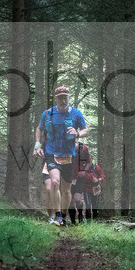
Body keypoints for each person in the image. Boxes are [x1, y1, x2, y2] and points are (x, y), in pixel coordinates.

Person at [33, 85, 88, 226]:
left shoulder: (76, 113)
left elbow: (85, 130)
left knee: (66, 189)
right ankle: (56, 216)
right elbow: (39, 128)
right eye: (60, 98)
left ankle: (63, 216)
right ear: (56, 99)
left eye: (65, 98)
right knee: (55, 182)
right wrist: (37, 144)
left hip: (68, 154)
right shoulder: (47, 114)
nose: (63, 101)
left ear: (69, 98)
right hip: (51, 152)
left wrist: (77, 134)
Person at [68, 141, 91, 226]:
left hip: (79, 178)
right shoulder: (65, 146)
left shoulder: (83, 148)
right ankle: (73, 222)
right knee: (69, 201)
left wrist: (84, 171)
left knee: (77, 199)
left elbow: (89, 162)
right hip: (68, 177)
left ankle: (81, 216)